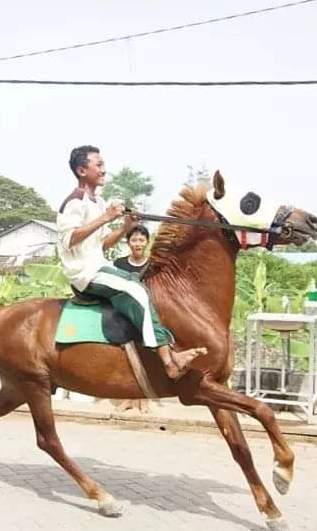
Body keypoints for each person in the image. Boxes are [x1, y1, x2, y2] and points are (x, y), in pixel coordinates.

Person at [56, 145, 205, 380]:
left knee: (142, 284)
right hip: (85, 273)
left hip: (98, 265)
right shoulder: (75, 201)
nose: (104, 170)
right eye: (99, 165)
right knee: (135, 289)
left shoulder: (98, 201)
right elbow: (70, 240)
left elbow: (100, 244)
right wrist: (107, 217)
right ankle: (168, 360)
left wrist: (124, 227)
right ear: (82, 170)